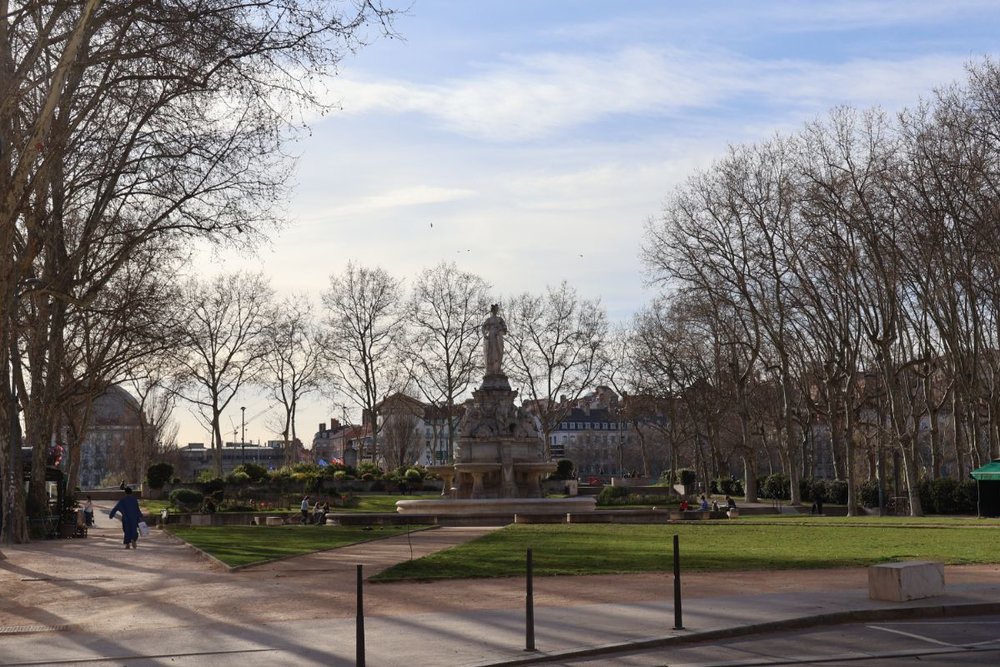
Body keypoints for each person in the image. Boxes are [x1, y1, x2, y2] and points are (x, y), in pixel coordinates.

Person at [482, 304, 508, 375]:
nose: (496, 311)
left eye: (497, 309)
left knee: (499, 351)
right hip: (491, 337)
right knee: (491, 352)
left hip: (498, 337)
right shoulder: (489, 320)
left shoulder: (500, 319)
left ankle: (497, 369)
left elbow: (505, 328)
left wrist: (500, 331)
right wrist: (485, 335)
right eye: (495, 309)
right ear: (493, 310)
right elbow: (483, 327)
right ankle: (491, 369)